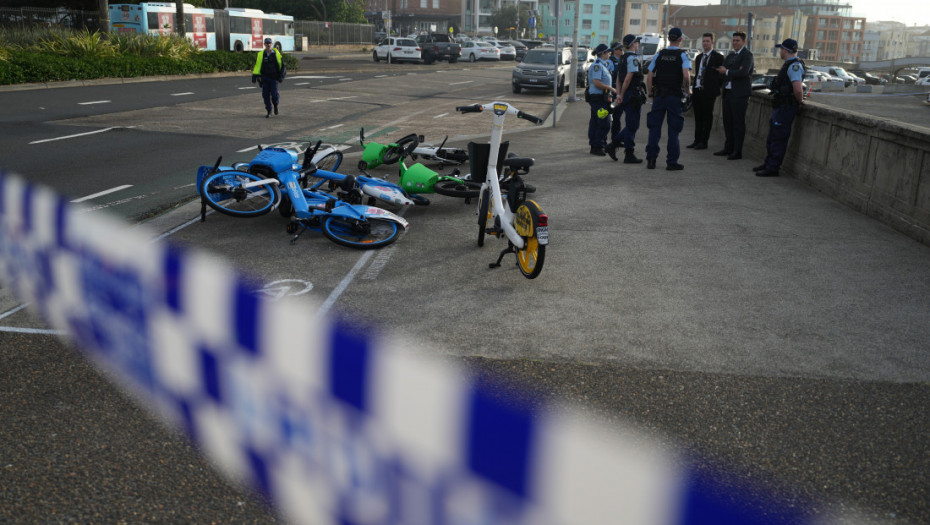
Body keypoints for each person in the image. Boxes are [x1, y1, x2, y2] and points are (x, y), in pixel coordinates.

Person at [754, 39, 805, 177]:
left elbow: (798, 90)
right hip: (780, 106)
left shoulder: (794, 66)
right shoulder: (788, 65)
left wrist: (799, 102)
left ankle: (773, 168)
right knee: (772, 137)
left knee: (778, 138)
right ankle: (768, 163)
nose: (780, 52)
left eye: (781, 49)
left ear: (786, 50)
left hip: (786, 107)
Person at [644, 28, 691, 171]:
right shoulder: (683, 55)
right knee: (673, 130)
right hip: (674, 97)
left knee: (654, 128)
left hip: (659, 96)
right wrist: (688, 91)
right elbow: (686, 76)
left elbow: (649, 75)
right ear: (681, 39)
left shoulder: (660, 54)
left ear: (669, 39)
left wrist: (651, 92)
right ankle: (671, 162)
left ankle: (651, 160)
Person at [605, 34, 645, 164]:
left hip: (626, 94)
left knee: (631, 124)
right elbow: (628, 78)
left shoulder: (623, 58)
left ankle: (614, 145)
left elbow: (618, 78)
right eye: (637, 42)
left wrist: (619, 94)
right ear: (633, 44)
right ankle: (628, 153)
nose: (638, 44)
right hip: (632, 95)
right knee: (632, 125)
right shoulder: (632, 58)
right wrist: (621, 94)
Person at [714, 31, 754, 160]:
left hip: (740, 94)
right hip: (728, 92)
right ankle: (728, 147)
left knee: (738, 123)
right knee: (727, 122)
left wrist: (727, 72)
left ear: (744, 42)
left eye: (738, 40)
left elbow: (743, 73)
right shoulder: (731, 56)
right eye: (734, 40)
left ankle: (737, 151)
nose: (735, 43)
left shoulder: (747, 55)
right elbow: (724, 71)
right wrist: (723, 72)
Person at [686, 33, 725, 150]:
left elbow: (720, 76)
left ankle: (704, 141)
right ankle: (696, 140)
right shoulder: (698, 57)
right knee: (698, 117)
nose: (705, 43)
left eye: (708, 41)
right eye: (704, 41)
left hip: (709, 91)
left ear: (712, 42)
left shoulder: (718, 57)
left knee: (707, 117)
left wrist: (713, 87)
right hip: (697, 90)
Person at [586, 44, 618, 156]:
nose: (610, 54)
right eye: (608, 52)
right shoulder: (598, 66)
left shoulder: (603, 65)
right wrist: (611, 88)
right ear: (603, 53)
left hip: (601, 98)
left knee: (596, 122)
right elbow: (596, 82)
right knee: (603, 122)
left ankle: (597, 145)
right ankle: (597, 146)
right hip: (598, 99)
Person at [252, 38, 283, 118]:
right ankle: (269, 111)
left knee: (274, 95)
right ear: (264, 44)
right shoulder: (261, 54)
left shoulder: (276, 54)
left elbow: (282, 66)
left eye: (269, 43)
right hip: (265, 78)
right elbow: (257, 66)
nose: (268, 45)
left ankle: (275, 105)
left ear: (272, 44)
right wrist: (254, 77)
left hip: (274, 78)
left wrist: (281, 77)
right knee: (265, 96)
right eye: (266, 43)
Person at [608, 42, 624, 144]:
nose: (622, 51)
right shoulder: (610, 62)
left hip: (618, 91)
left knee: (617, 117)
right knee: (609, 117)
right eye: (621, 49)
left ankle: (616, 139)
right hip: (612, 92)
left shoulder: (621, 60)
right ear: (615, 50)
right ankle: (605, 141)